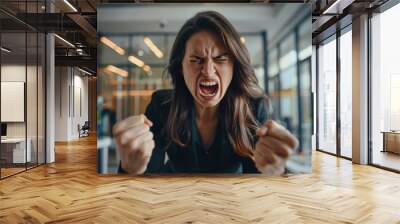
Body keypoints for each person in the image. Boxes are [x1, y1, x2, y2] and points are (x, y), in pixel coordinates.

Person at [113, 11, 298, 175]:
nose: (208, 71)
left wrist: (276, 170)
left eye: (220, 58)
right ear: (181, 68)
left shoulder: (254, 107)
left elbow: (258, 177)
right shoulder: (162, 105)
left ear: (234, 66)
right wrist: (130, 168)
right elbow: (148, 175)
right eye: (196, 60)